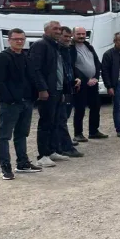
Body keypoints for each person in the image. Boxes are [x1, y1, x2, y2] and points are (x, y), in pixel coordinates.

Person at [0, 28, 42, 179]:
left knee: (22, 134)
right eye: (16, 39)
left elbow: (32, 77)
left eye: (22, 39)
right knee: (4, 136)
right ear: (9, 40)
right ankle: (5, 168)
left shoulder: (26, 57)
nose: (19, 41)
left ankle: (22, 163)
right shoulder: (3, 57)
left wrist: (35, 95)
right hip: (11, 104)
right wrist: (10, 99)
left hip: (27, 102)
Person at [29, 20, 70, 167]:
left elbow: (59, 70)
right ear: (47, 30)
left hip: (58, 91)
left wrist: (63, 90)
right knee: (45, 123)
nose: (59, 31)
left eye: (59, 28)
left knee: (54, 122)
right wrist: (42, 89)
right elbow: (35, 69)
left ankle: (52, 150)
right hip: (48, 91)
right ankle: (42, 155)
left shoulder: (56, 47)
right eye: (55, 28)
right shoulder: (41, 45)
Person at [71, 26, 107, 142]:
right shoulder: (71, 48)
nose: (81, 36)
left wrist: (96, 77)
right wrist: (86, 79)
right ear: (73, 34)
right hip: (80, 84)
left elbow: (96, 62)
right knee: (80, 108)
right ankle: (78, 133)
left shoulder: (88, 46)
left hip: (93, 83)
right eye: (78, 34)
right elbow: (72, 67)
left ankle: (93, 131)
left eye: (83, 34)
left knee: (96, 106)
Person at [57, 27, 84, 157]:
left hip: (69, 87)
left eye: (69, 37)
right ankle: (65, 147)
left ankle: (62, 144)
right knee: (61, 119)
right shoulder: (56, 50)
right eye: (65, 37)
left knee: (65, 116)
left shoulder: (68, 50)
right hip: (59, 89)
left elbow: (71, 67)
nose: (68, 39)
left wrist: (76, 77)